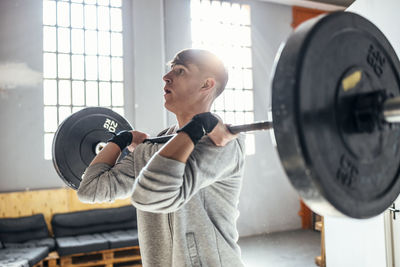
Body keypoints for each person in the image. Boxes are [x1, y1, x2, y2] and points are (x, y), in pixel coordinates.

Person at [77, 48, 246, 267]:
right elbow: (90, 189)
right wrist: (120, 139)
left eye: (180, 71)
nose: (166, 77)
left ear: (206, 85)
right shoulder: (157, 143)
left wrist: (201, 126)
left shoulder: (224, 143)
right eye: (170, 71)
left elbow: (152, 196)